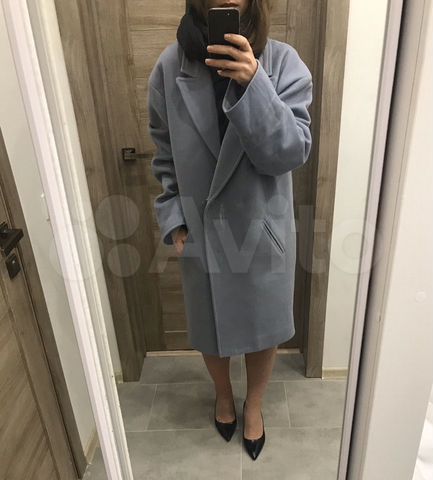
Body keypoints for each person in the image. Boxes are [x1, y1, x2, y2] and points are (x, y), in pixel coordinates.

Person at [147, 0, 313, 460]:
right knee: (210, 325)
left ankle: (253, 405)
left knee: (263, 329)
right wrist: (174, 218)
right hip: (202, 229)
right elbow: (163, 152)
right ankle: (223, 395)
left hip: (262, 229)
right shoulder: (169, 68)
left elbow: (291, 152)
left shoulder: (283, 63)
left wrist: (254, 83)